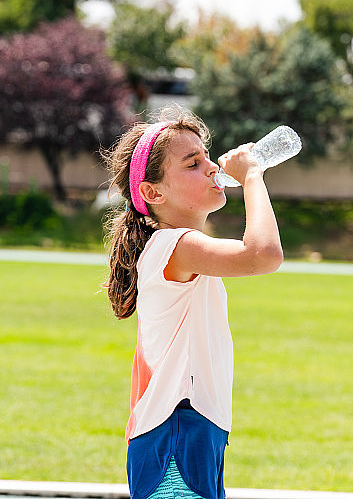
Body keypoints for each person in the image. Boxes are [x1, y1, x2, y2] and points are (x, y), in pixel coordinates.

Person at [102, 107, 283, 499]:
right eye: (192, 163)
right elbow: (263, 255)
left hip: (188, 430)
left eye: (206, 157)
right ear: (154, 192)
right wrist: (253, 176)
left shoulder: (178, 248)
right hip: (178, 432)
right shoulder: (174, 245)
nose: (211, 167)